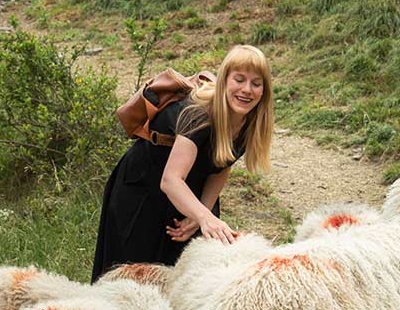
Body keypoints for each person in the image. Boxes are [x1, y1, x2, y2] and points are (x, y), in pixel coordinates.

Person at [91, 44, 274, 281]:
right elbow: (170, 180)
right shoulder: (199, 114)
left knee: (188, 277)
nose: (246, 90)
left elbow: (221, 165)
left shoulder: (250, 122)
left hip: (191, 189)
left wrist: (201, 211)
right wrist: (205, 218)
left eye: (256, 83)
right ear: (224, 81)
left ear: (264, 91)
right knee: (134, 277)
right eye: (239, 79)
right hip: (144, 190)